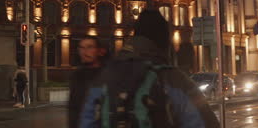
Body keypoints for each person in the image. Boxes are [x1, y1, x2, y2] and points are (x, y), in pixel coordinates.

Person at [80, 9, 219, 128]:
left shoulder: (104, 76)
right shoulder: (174, 79)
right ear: (164, 42)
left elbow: (86, 121)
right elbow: (204, 123)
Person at [68, 37, 108, 128]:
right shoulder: (76, 75)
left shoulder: (108, 74)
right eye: (81, 48)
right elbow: (73, 108)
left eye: (89, 47)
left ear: (100, 51)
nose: (84, 52)